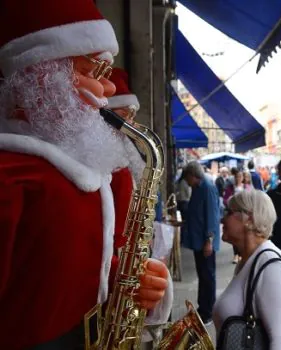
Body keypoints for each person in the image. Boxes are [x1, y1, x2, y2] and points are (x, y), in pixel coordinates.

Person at [0, 1, 172, 347]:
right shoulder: (11, 176)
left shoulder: (85, 173)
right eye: (94, 73)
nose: (108, 93)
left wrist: (133, 282)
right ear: (41, 76)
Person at [214, 190, 281, 349]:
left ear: (249, 219)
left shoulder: (269, 263)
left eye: (229, 212)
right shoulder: (248, 260)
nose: (222, 218)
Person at [183, 161, 221, 324]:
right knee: (203, 275)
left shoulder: (208, 188)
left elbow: (212, 216)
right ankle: (202, 307)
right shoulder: (198, 188)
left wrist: (209, 240)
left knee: (208, 276)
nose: (187, 182)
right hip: (199, 240)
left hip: (205, 242)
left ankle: (208, 311)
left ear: (193, 176)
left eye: (187, 179)